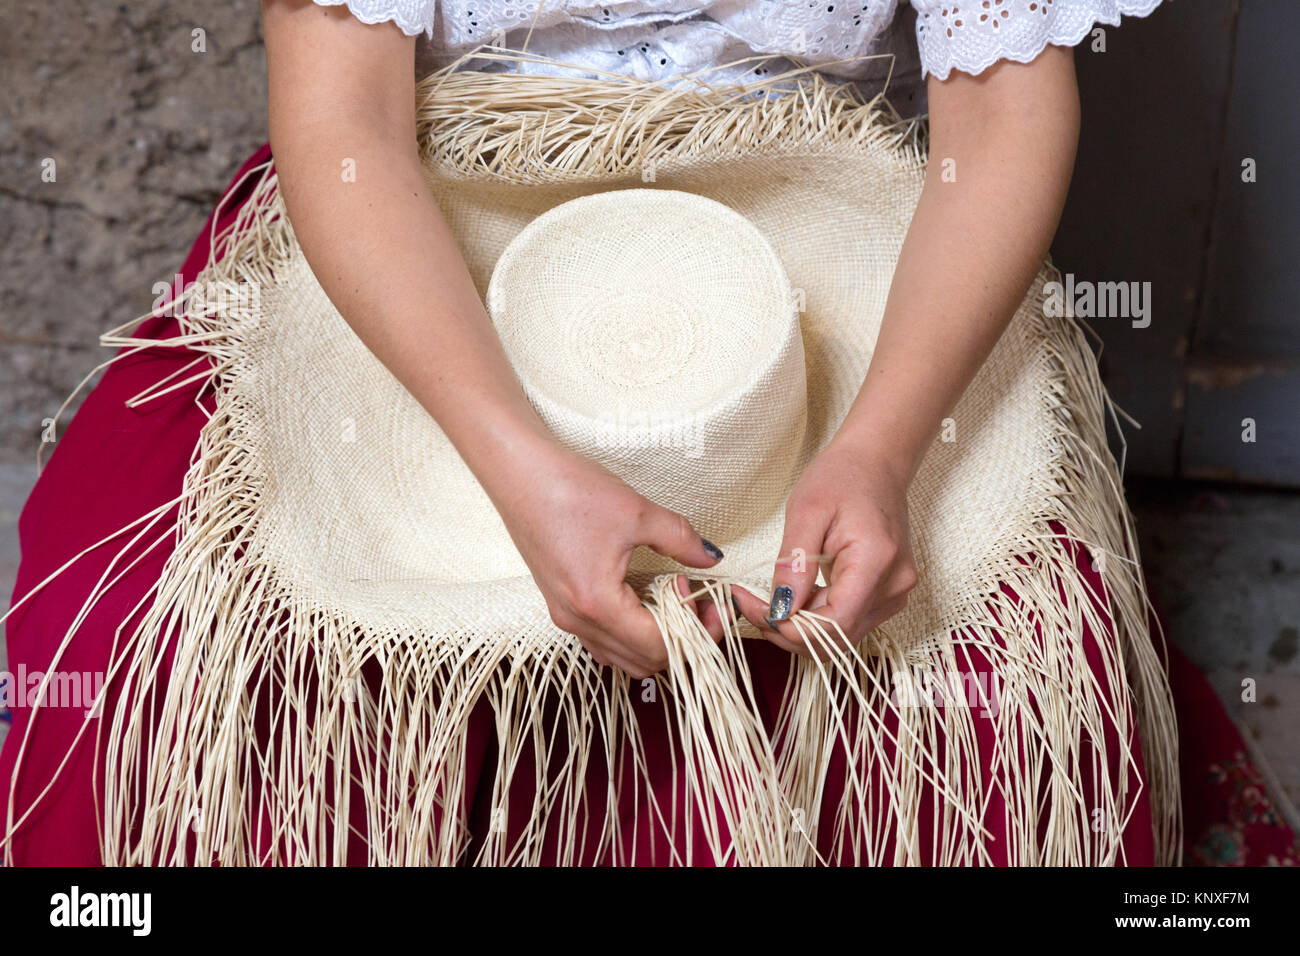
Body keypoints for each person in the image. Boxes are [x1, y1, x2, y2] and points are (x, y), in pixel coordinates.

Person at [2, 0, 1177, 864]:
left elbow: (1003, 112)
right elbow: (345, 111)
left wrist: (878, 448)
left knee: (987, 716)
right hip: (429, 206)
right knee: (118, 669)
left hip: (818, 199)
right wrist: (517, 464)